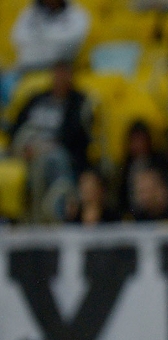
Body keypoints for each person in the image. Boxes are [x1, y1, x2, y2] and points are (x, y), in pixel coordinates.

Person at [9, 61, 92, 222]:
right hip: (27, 147)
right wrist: (23, 147)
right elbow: (15, 127)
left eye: (64, 74)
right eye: (57, 73)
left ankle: (60, 218)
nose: (60, 78)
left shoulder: (77, 101)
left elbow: (77, 136)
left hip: (56, 150)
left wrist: (47, 146)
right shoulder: (37, 98)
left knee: (55, 159)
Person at [11, 0, 90, 71]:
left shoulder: (76, 13)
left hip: (62, 68)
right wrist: (52, 39)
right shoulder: (29, 13)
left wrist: (39, 39)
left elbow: (72, 40)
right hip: (28, 67)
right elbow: (18, 38)